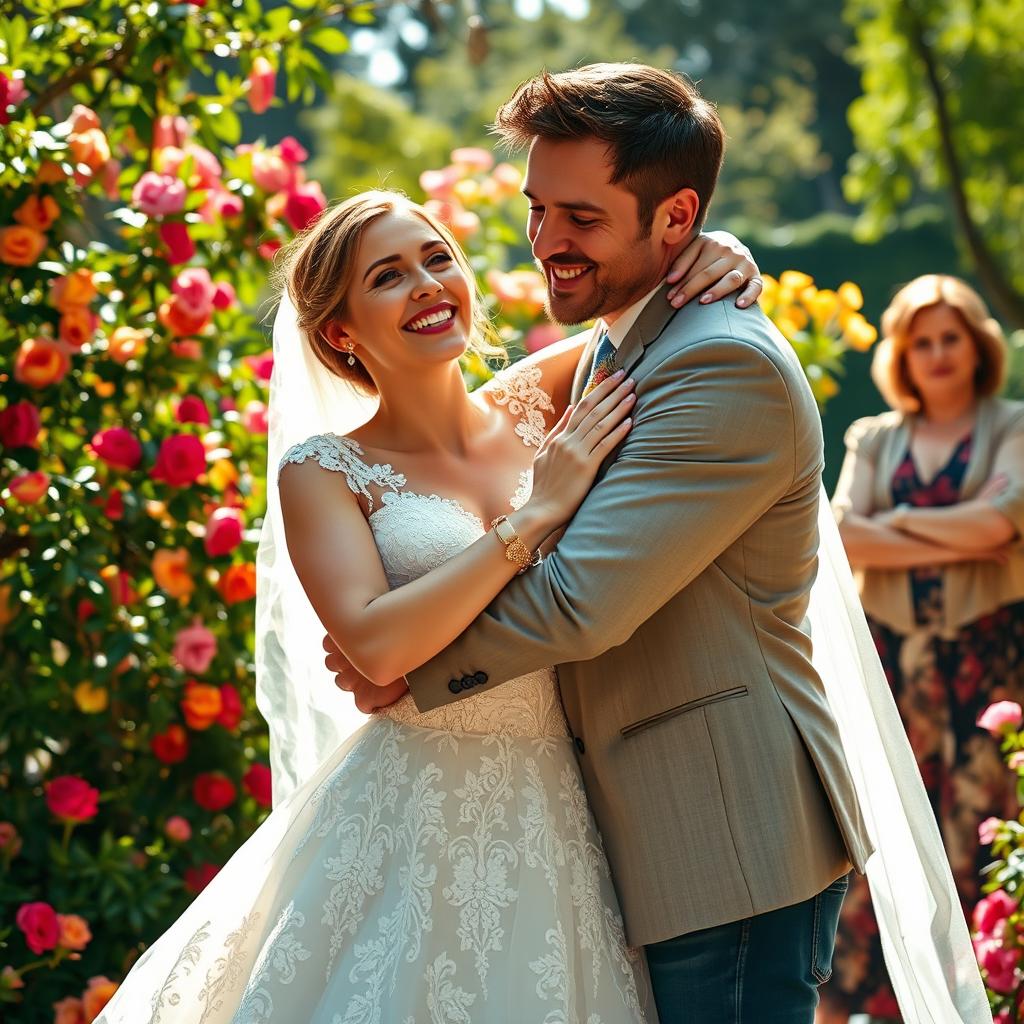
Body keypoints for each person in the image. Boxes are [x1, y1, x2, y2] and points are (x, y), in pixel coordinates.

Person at [323, 66, 991, 1024]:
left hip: (724, 834)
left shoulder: (719, 362)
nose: (548, 243)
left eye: (581, 219)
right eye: (536, 209)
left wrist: (406, 666)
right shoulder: (618, 338)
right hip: (630, 824)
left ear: (673, 220)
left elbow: (581, 601)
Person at [93, 196, 764, 1021]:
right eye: (388, 277)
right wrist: (531, 518)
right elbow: (374, 648)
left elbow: (650, 314)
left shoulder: (547, 397)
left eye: (436, 258)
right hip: (409, 814)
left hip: (565, 808)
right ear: (342, 333)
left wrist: (723, 247)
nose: (426, 285)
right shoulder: (323, 471)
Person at [824, 274, 1024, 1021]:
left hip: (992, 664)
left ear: (977, 345)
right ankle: (860, 1006)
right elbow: (841, 533)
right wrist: (958, 524)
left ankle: (984, 1004)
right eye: (922, 341)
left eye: (951, 337)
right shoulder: (872, 436)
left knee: (981, 833)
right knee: (887, 837)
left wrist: (897, 520)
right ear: (902, 355)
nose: (938, 354)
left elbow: (1002, 522)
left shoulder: (1012, 425)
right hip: (894, 666)